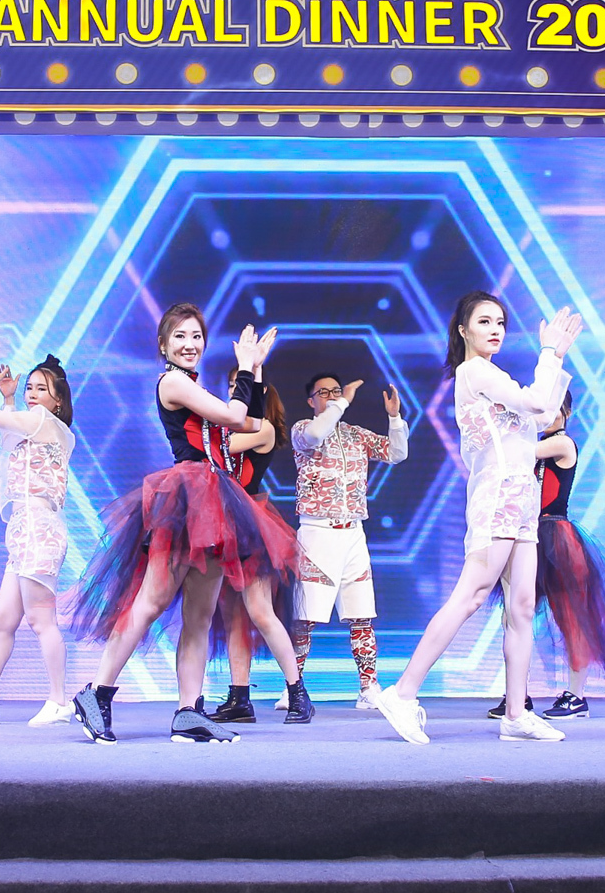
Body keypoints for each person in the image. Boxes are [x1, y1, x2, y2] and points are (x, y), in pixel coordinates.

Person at [67, 306, 305, 743]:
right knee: (151, 603)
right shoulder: (172, 382)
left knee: (200, 615)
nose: (190, 344)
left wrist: (254, 369)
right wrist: (246, 367)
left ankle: (188, 710)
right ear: (163, 345)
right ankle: (96, 694)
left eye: (196, 336)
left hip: (214, 503)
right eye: (179, 336)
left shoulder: (195, 385)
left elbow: (248, 421)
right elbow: (232, 417)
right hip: (188, 496)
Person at [372, 292, 584, 745]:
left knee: (522, 608)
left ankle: (516, 714)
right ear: (463, 330)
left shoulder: (494, 374)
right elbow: (534, 403)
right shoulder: (475, 372)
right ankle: (403, 693)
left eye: (501, 322)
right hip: (498, 497)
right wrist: (550, 352)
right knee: (470, 596)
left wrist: (557, 357)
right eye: (484, 321)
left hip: (522, 500)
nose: (495, 329)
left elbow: (545, 412)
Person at [0, 356, 76, 729]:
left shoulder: (42, 421)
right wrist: (8, 399)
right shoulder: (38, 425)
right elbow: (9, 440)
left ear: (57, 400)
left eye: (42, 389)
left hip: (38, 528)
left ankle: (59, 701)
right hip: (25, 530)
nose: (32, 394)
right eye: (30, 388)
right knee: (3, 620)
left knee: (41, 620)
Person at [283, 371, 408, 711]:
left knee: (361, 613)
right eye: (323, 393)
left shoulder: (355, 435)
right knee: (304, 617)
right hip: (317, 532)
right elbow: (317, 432)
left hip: (353, 531)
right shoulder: (303, 430)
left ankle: (368, 687)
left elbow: (397, 453)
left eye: (336, 391)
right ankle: (293, 687)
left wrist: (394, 418)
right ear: (311, 401)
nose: (332, 397)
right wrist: (341, 402)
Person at [210, 382, 314, 723]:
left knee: (260, 611)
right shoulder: (229, 427)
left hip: (252, 525)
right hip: (222, 523)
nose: (233, 394)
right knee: (232, 616)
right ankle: (239, 698)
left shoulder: (264, 428)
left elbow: (219, 448)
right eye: (230, 387)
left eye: (239, 387)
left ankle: (298, 692)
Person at [525, 391, 605, 719]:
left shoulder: (562, 443)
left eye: (552, 410)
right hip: (528, 535)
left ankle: (576, 696)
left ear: (567, 412)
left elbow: (519, 452)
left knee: (570, 617)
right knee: (516, 616)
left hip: (556, 538)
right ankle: (516, 695)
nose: (545, 417)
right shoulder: (539, 444)